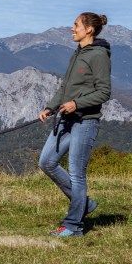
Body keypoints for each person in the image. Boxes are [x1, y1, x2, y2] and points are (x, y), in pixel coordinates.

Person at [37, 12, 111, 238]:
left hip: (84, 122)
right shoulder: (78, 53)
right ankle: (84, 205)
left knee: (77, 174)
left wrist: (77, 103)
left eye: (76, 25)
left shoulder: (98, 55)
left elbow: (104, 92)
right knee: (46, 162)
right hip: (66, 119)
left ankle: (73, 226)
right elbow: (65, 87)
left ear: (89, 29)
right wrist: (51, 106)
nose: (72, 28)